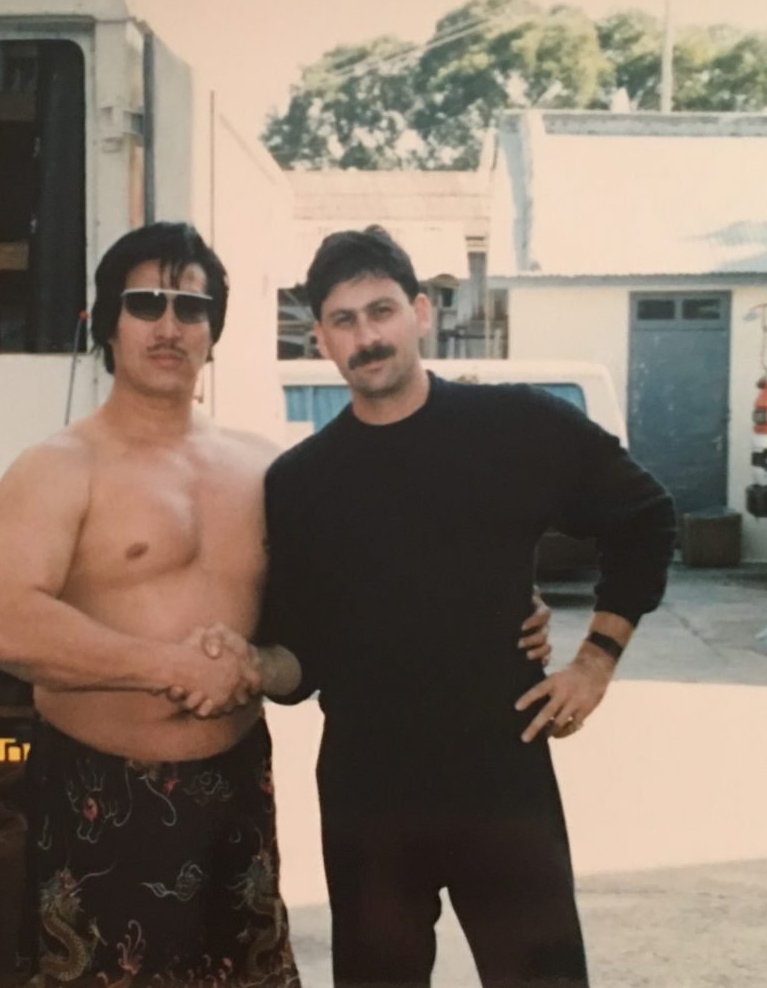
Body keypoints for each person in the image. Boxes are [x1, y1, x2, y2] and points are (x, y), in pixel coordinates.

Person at [0, 219, 555, 986]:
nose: (171, 325)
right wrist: (168, 667)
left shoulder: (264, 471)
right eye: (146, 303)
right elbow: (4, 626)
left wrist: (501, 600)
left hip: (235, 799)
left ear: (215, 331)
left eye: (193, 307)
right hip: (100, 799)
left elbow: (367, 581)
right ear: (104, 323)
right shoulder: (55, 468)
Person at [259, 226, 676, 988]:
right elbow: (299, 663)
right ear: (320, 338)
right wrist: (249, 663)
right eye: (344, 321)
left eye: (381, 310)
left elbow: (646, 517)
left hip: (502, 778)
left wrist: (595, 660)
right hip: (369, 796)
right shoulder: (300, 483)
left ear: (420, 311)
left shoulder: (516, 428)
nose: (367, 336)